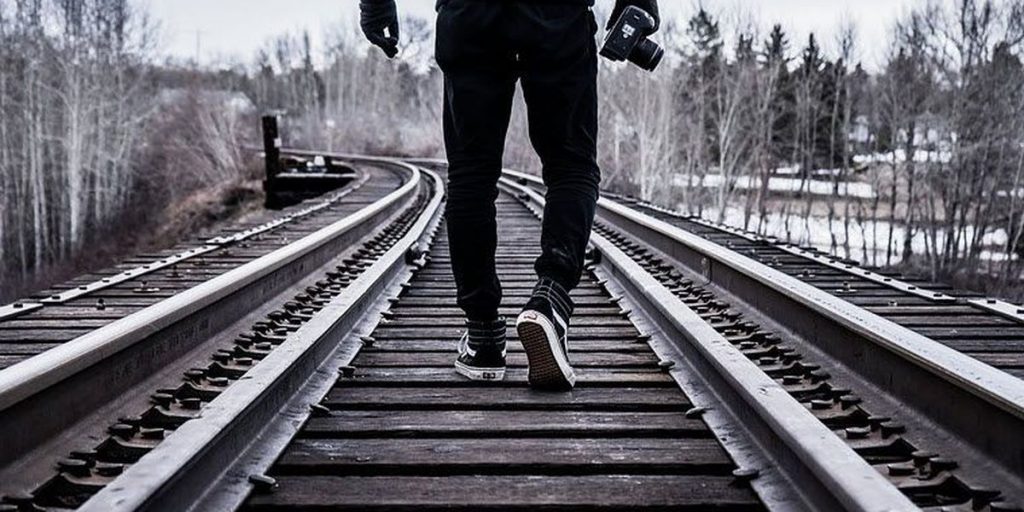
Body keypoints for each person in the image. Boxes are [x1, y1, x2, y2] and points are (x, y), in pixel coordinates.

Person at [360, 0, 659, 390]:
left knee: (470, 175)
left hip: (470, 17)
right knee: (571, 166)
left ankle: (483, 336)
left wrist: (377, 7)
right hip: (557, 19)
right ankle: (550, 301)